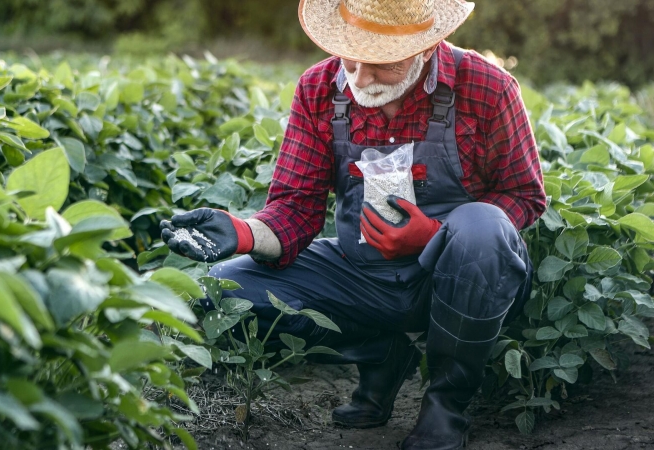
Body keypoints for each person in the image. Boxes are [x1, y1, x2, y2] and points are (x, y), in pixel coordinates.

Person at [160, 0, 546, 447]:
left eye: (383, 65)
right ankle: (382, 354)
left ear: (426, 48)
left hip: (459, 279)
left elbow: (525, 195)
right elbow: (295, 207)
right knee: (219, 288)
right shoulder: (319, 88)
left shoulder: (487, 86)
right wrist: (243, 233)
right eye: (350, 58)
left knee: (481, 226)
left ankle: (446, 405)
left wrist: (438, 238)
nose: (360, 79)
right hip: (361, 273)